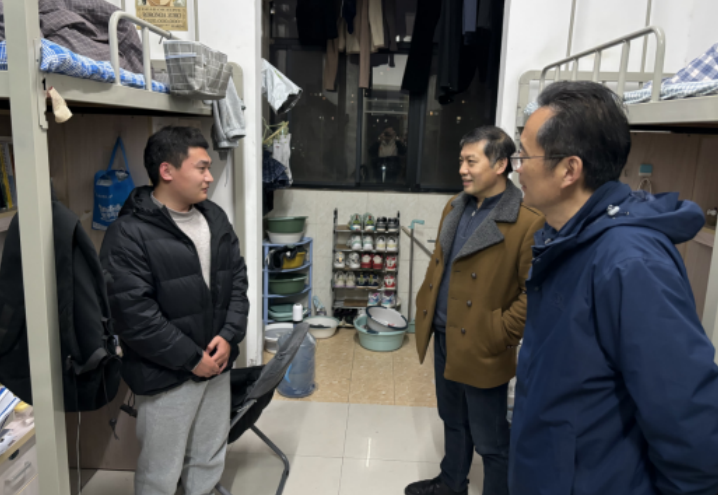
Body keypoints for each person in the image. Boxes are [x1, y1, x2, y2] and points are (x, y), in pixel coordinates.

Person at [510, 81, 718, 495]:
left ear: (569, 170)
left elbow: (686, 417)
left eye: (524, 154)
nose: (517, 167)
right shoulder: (563, 238)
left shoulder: (629, 262)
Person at [100, 126, 250, 495]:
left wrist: (228, 336)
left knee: (208, 456)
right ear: (167, 171)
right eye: (201, 168)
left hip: (216, 364)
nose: (209, 177)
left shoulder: (214, 218)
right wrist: (191, 359)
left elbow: (237, 281)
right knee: (160, 471)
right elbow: (134, 315)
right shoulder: (128, 234)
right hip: (166, 375)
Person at [408, 126, 544, 495]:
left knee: (491, 438)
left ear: (500, 165)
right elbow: (441, 263)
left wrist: (498, 332)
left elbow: (534, 293)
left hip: (483, 343)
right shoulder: (456, 206)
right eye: (461, 161)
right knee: (452, 419)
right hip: (444, 334)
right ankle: (451, 483)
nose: (462, 170)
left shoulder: (527, 219)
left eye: (471, 162)